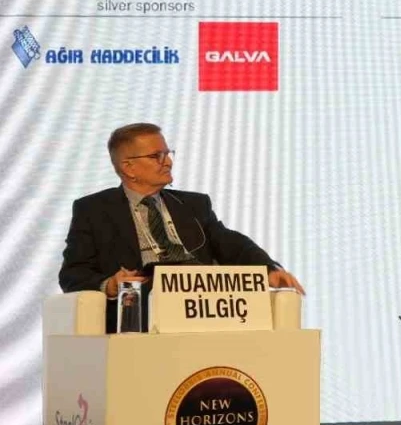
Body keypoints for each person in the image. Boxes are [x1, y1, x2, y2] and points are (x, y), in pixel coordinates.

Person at [59, 123, 304, 331]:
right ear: (128, 167)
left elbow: (231, 243)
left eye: (168, 153)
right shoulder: (93, 210)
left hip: (200, 303)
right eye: (156, 156)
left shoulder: (194, 204)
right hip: (144, 308)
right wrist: (111, 285)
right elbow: (72, 273)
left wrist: (267, 269)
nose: (168, 162)